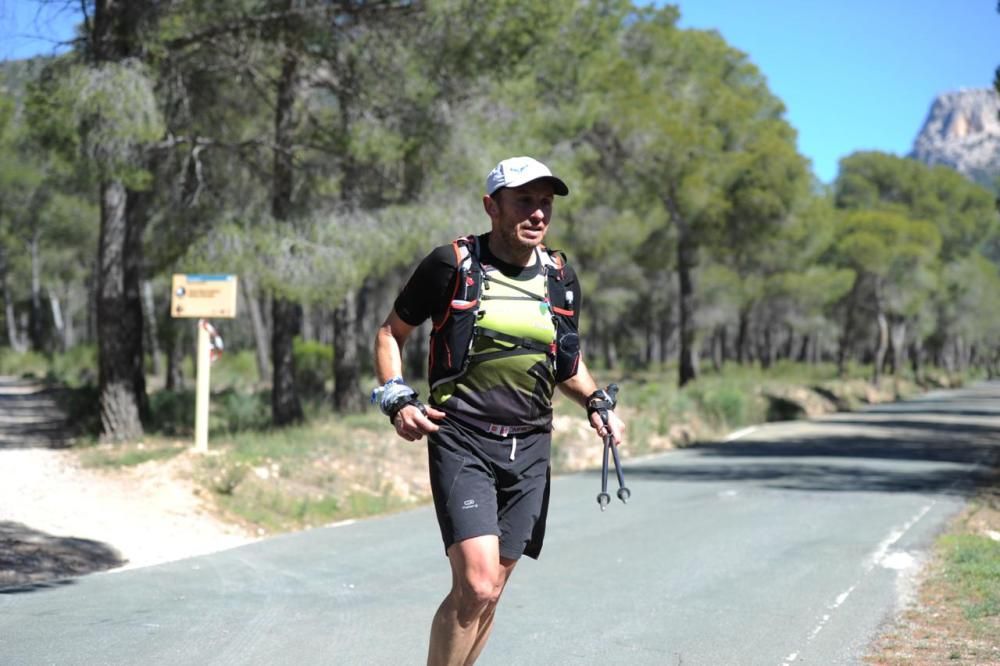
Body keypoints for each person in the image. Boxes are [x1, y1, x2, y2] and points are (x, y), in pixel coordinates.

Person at [371, 155, 626, 665]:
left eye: (546, 204)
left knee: (490, 593)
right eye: (524, 201)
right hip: (462, 435)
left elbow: (567, 364)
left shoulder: (559, 276)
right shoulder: (453, 263)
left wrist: (596, 402)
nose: (537, 214)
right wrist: (396, 399)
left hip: (531, 444)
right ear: (492, 206)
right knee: (478, 582)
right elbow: (389, 334)